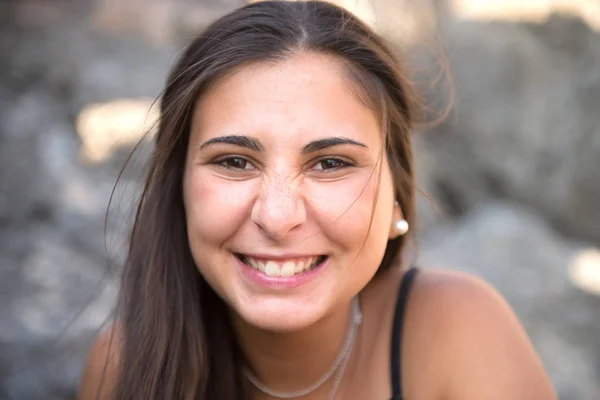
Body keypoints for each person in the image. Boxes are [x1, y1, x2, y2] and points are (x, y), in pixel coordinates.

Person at [77, 1, 558, 399]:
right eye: (235, 162)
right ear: (178, 189)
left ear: (397, 198)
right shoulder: (121, 370)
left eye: (330, 163)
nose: (278, 216)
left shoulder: (458, 332)